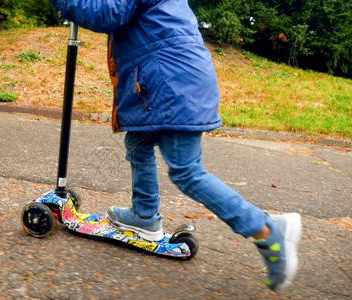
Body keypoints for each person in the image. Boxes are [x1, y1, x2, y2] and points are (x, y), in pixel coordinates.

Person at [49, 0, 302, 292]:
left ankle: (269, 230)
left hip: (171, 82)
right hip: (164, 79)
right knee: (138, 143)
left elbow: (110, 13)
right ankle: (144, 217)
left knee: (187, 171)